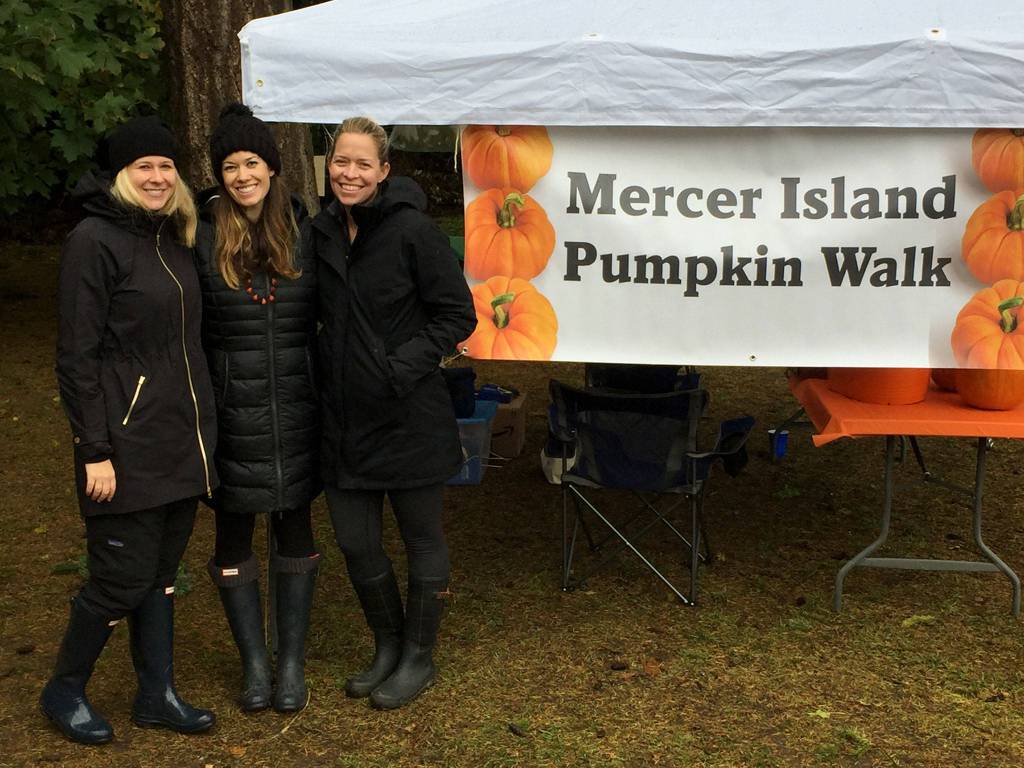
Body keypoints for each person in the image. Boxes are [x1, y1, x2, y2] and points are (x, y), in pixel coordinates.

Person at [42, 115, 218, 744]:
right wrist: (94, 450)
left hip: (177, 441)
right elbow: (76, 357)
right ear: (120, 175)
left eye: (166, 166)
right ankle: (64, 689)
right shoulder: (94, 240)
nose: (156, 175)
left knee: (162, 576)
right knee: (120, 577)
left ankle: (156, 693)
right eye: (143, 166)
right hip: (123, 445)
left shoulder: (174, 237)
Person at [310, 117, 476, 709]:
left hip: (408, 415)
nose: (349, 173)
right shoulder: (320, 232)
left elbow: (458, 315)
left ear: (384, 171)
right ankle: (386, 643)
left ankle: (418, 656)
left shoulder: (413, 233)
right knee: (356, 542)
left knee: (421, 538)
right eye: (340, 162)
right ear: (328, 167)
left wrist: (400, 368)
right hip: (343, 420)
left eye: (361, 164)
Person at [196, 103, 320, 714]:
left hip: (297, 407)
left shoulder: (303, 229)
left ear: (271, 167)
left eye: (251, 162)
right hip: (231, 414)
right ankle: (254, 664)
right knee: (234, 532)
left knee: (295, 527)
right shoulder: (199, 232)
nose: (241, 174)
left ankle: (290, 664)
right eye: (229, 165)